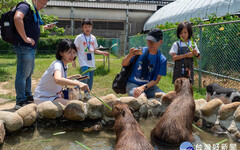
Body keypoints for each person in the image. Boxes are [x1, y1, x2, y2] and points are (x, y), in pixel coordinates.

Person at [13, 0, 55, 109]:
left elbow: (33, 27)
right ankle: (20, 100)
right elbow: (17, 18)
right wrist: (25, 38)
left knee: (28, 73)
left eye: (45, 4)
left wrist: (46, 27)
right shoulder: (25, 5)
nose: (42, 6)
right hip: (24, 46)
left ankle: (27, 96)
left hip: (30, 48)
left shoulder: (34, 10)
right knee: (23, 74)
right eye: (42, 3)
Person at [33, 39, 89, 105]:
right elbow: (57, 80)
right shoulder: (57, 64)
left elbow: (58, 79)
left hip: (52, 96)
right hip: (44, 98)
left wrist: (72, 77)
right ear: (61, 53)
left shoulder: (64, 64)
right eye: (69, 52)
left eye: (74, 52)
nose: (72, 55)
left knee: (74, 105)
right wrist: (77, 83)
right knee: (73, 106)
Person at [122, 28, 167, 99]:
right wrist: (129, 55)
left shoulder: (162, 59)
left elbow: (156, 80)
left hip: (149, 87)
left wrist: (143, 87)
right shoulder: (139, 51)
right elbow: (124, 64)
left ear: (160, 42)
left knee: (164, 97)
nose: (149, 43)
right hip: (133, 84)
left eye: (153, 41)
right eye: (148, 41)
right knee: (142, 98)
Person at [73, 18, 109, 100]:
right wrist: (74, 60)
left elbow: (95, 50)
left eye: (89, 27)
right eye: (85, 27)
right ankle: (76, 88)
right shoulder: (79, 38)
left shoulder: (93, 38)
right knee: (86, 76)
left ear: (91, 27)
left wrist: (103, 53)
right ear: (82, 28)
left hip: (91, 62)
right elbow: (75, 49)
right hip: (83, 61)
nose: (87, 29)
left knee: (90, 79)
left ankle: (87, 93)